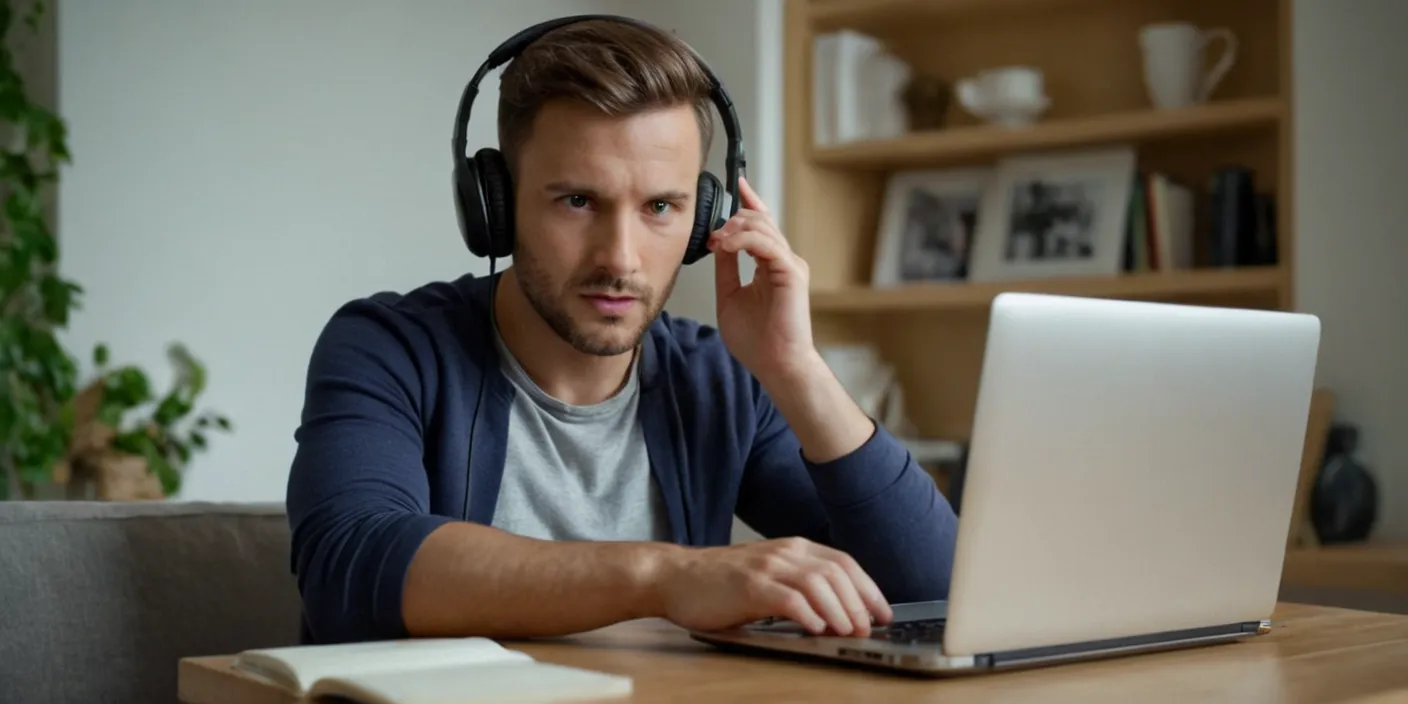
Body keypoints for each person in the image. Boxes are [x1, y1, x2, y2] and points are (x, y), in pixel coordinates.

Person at [285, 16, 959, 646]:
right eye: (578, 201)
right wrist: (668, 578)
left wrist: (797, 368)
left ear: (706, 223)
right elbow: (351, 565)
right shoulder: (389, 347)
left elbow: (935, 591)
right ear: (495, 203)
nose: (621, 257)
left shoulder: (719, 380)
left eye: (661, 207)